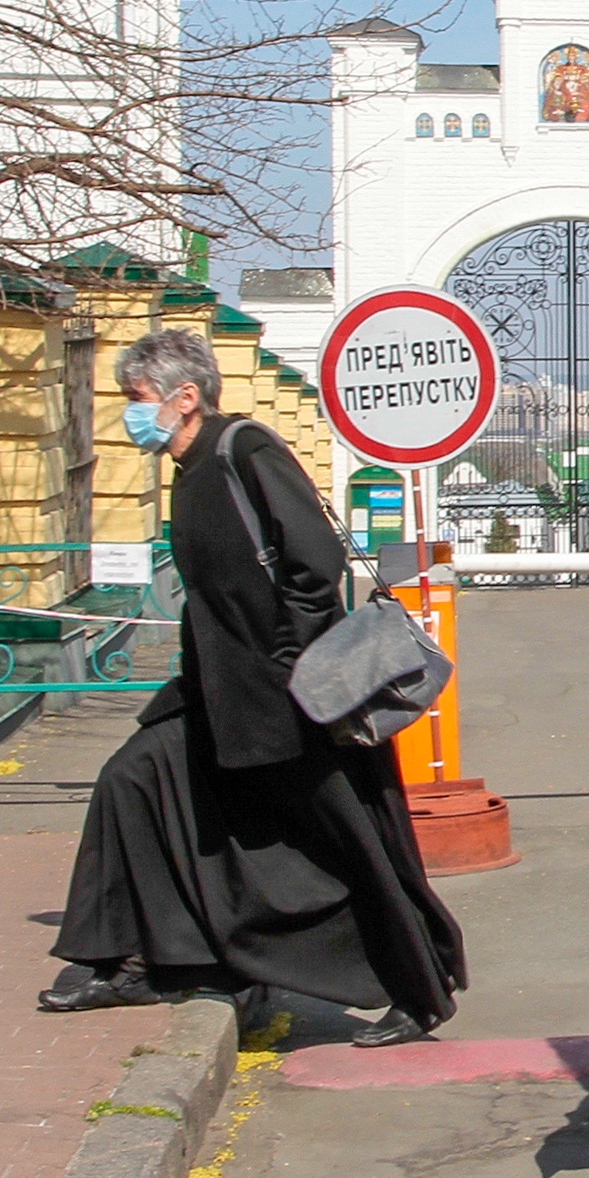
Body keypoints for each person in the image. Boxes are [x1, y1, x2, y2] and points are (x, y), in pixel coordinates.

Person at [38, 329, 464, 1048]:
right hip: (216, 693)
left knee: (347, 838)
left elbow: (314, 561)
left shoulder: (245, 450)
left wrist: (292, 663)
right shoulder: (191, 466)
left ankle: (417, 989)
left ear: (186, 396)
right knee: (133, 780)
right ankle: (135, 957)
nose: (129, 414)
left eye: (137, 400)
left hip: (288, 698)